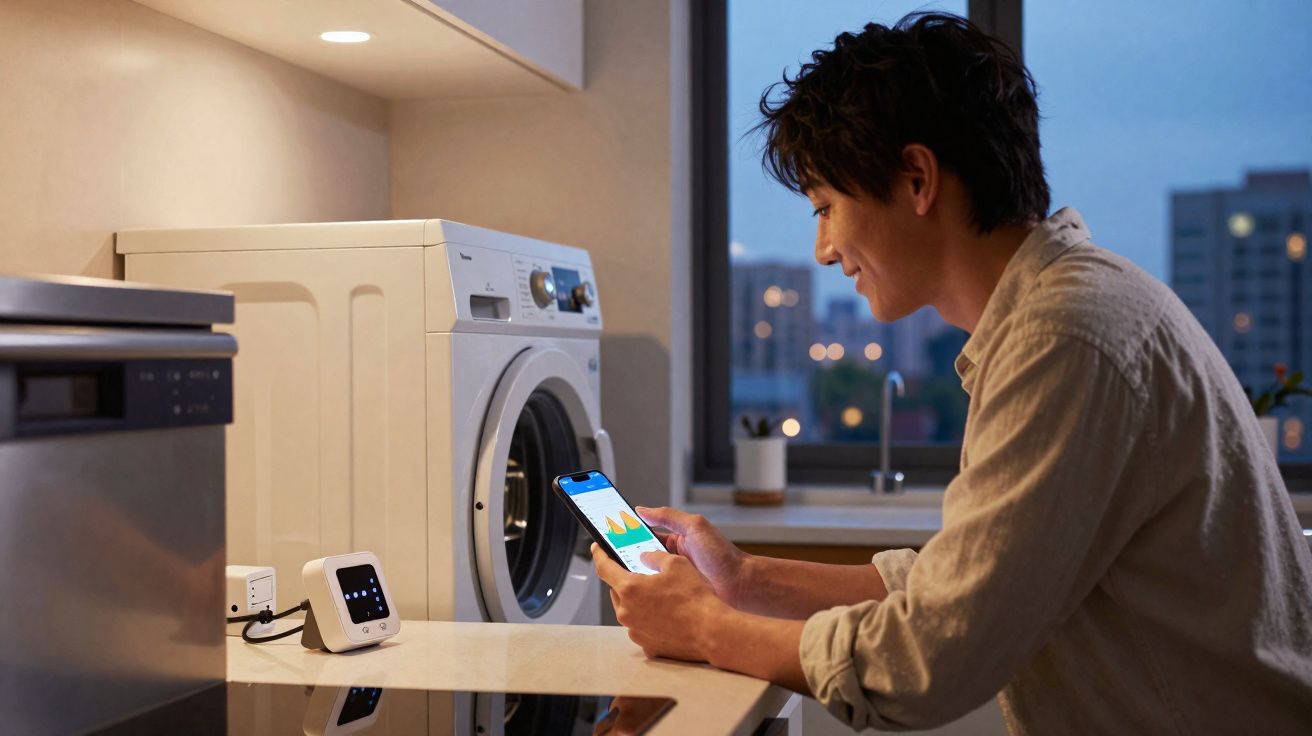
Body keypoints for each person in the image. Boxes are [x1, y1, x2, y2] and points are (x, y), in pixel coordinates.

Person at [591, 11, 1312, 733]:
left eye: (826, 208)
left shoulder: (1065, 338)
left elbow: (928, 655)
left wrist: (705, 627)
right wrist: (741, 579)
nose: (823, 249)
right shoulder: (1063, 311)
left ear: (917, 179)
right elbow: (962, 583)